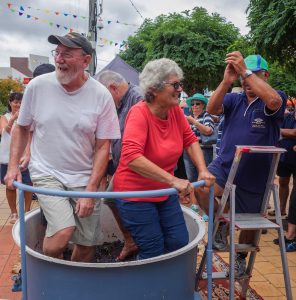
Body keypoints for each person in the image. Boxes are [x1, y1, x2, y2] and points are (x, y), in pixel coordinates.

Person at [5, 32, 120, 262]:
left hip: (85, 177)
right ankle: (45, 272)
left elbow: (102, 148)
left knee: (87, 244)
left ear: (86, 61)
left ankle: (72, 283)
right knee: (61, 232)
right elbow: (21, 128)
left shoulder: (101, 95)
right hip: (47, 173)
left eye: (67, 54)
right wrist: (12, 166)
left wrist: (90, 191)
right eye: (57, 53)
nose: (59, 59)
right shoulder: (37, 87)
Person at [113, 58, 215, 259]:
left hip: (163, 191)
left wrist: (202, 169)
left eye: (180, 84)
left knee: (178, 241)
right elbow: (132, 157)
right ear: (154, 89)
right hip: (135, 194)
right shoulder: (139, 114)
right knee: (153, 249)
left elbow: (191, 140)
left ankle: (165, 283)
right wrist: (173, 180)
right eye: (175, 85)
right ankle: (144, 287)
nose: (180, 89)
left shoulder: (175, 111)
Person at [197, 52, 287, 276]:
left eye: (254, 75)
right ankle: (223, 221)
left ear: (265, 76)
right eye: (244, 76)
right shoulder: (234, 99)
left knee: (251, 222)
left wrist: (245, 71)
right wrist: (227, 81)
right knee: (200, 186)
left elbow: (274, 102)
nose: (247, 81)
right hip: (225, 165)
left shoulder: (276, 97)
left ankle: (239, 258)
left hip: (257, 173)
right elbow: (211, 109)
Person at [97, 70, 142, 260]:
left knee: (111, 198)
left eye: (103, 95)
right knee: (113, 199)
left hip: (137, 165)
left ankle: (137, 242)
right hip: (125, 164)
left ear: (112, 88)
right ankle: (133, 241)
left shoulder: (138, 98)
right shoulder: (121, 101)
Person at [0, 92, 32, 224]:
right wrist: (13, 118)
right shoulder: (4, 117)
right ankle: (14, 213)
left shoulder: (27, 117)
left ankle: (28, 211)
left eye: (20, 102)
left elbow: (30, 136)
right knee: (10, 186)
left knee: (28, 184)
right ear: (10, 102)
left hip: (24, 158)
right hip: (7, 157)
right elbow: (4, 131)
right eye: (15, 102)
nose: (18, 104)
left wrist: (28, 154)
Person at [273, 107, 296, 248]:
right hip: (285, 156)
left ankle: (291, 235)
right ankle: (281, 210)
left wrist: (280, 132)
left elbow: (291, 132)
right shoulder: (289, 116)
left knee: (295, 195)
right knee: (283, 182)